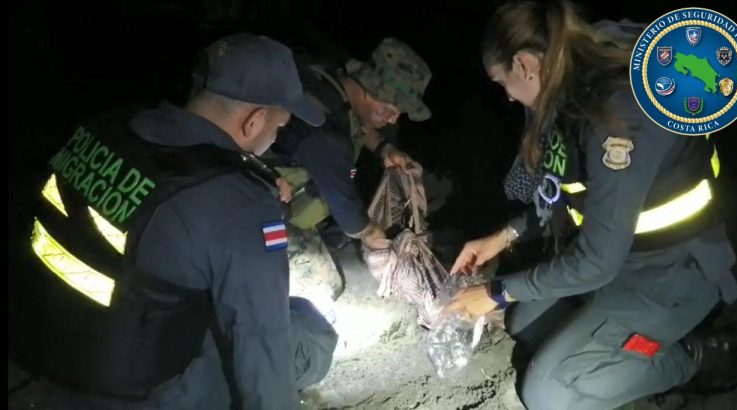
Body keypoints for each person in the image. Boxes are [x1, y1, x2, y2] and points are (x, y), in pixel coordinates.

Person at [11, 33, 337, 409]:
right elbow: (261, 347)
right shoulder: (240, 204)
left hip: (45, 336)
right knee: (306, 331)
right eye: (277, 127)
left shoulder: (104, 128)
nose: (276, 136)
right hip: (136, 387)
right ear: (254, 121)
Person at [447, 2, 737, 409]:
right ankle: (606, 342)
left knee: (547, 395)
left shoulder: (616, 111)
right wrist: (504, 236)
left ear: (524, 64)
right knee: (524, 324)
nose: (510, 99)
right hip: (623, 258)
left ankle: (698, 357)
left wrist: (497, 291)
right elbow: (565, 196)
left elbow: (596, 261)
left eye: (504, 84)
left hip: (672, 273)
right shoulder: (570, 87)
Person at [270, 38, 433, 249]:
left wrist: (385, 149)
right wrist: (372, 233)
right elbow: (345, 204)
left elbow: (357, 125)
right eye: (390, 110)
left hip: (288, 184)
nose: (392, 120)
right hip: (263, 212)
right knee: (328, 281)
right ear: (370, 90)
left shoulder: (333, 80)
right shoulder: (324, 129)